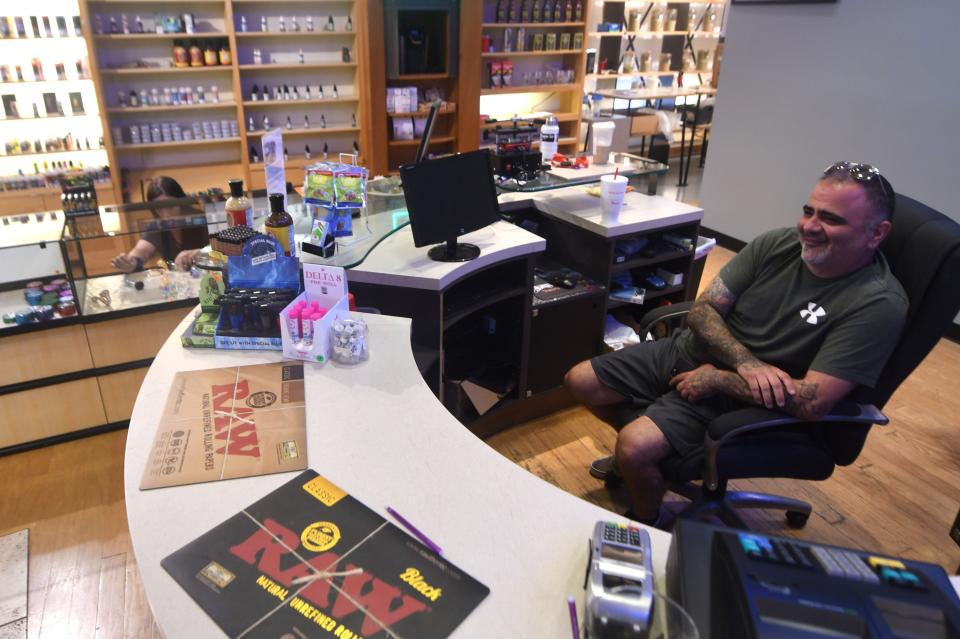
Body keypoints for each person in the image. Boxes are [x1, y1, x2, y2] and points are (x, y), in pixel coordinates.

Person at [564, 161, 908, 527]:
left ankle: (647, 520)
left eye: (831, 219)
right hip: (690, 354)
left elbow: (813, 401)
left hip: (736, 398)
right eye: (809, 211)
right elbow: (702, 311)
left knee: (635, 448)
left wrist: (718, 379)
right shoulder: (777, 243)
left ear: (876, 233)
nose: (809, 226)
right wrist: (747, 362)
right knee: (579, 381)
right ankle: (650, 466)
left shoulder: (877, 303)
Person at [111, 176, 207, 273]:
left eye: (170, 206)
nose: (166, 215)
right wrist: (131, 262)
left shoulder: (200, 219)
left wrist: (199, 253)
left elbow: (219, 249)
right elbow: (142, 250)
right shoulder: (157, 224)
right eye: (159, 208)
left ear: (181, 202)